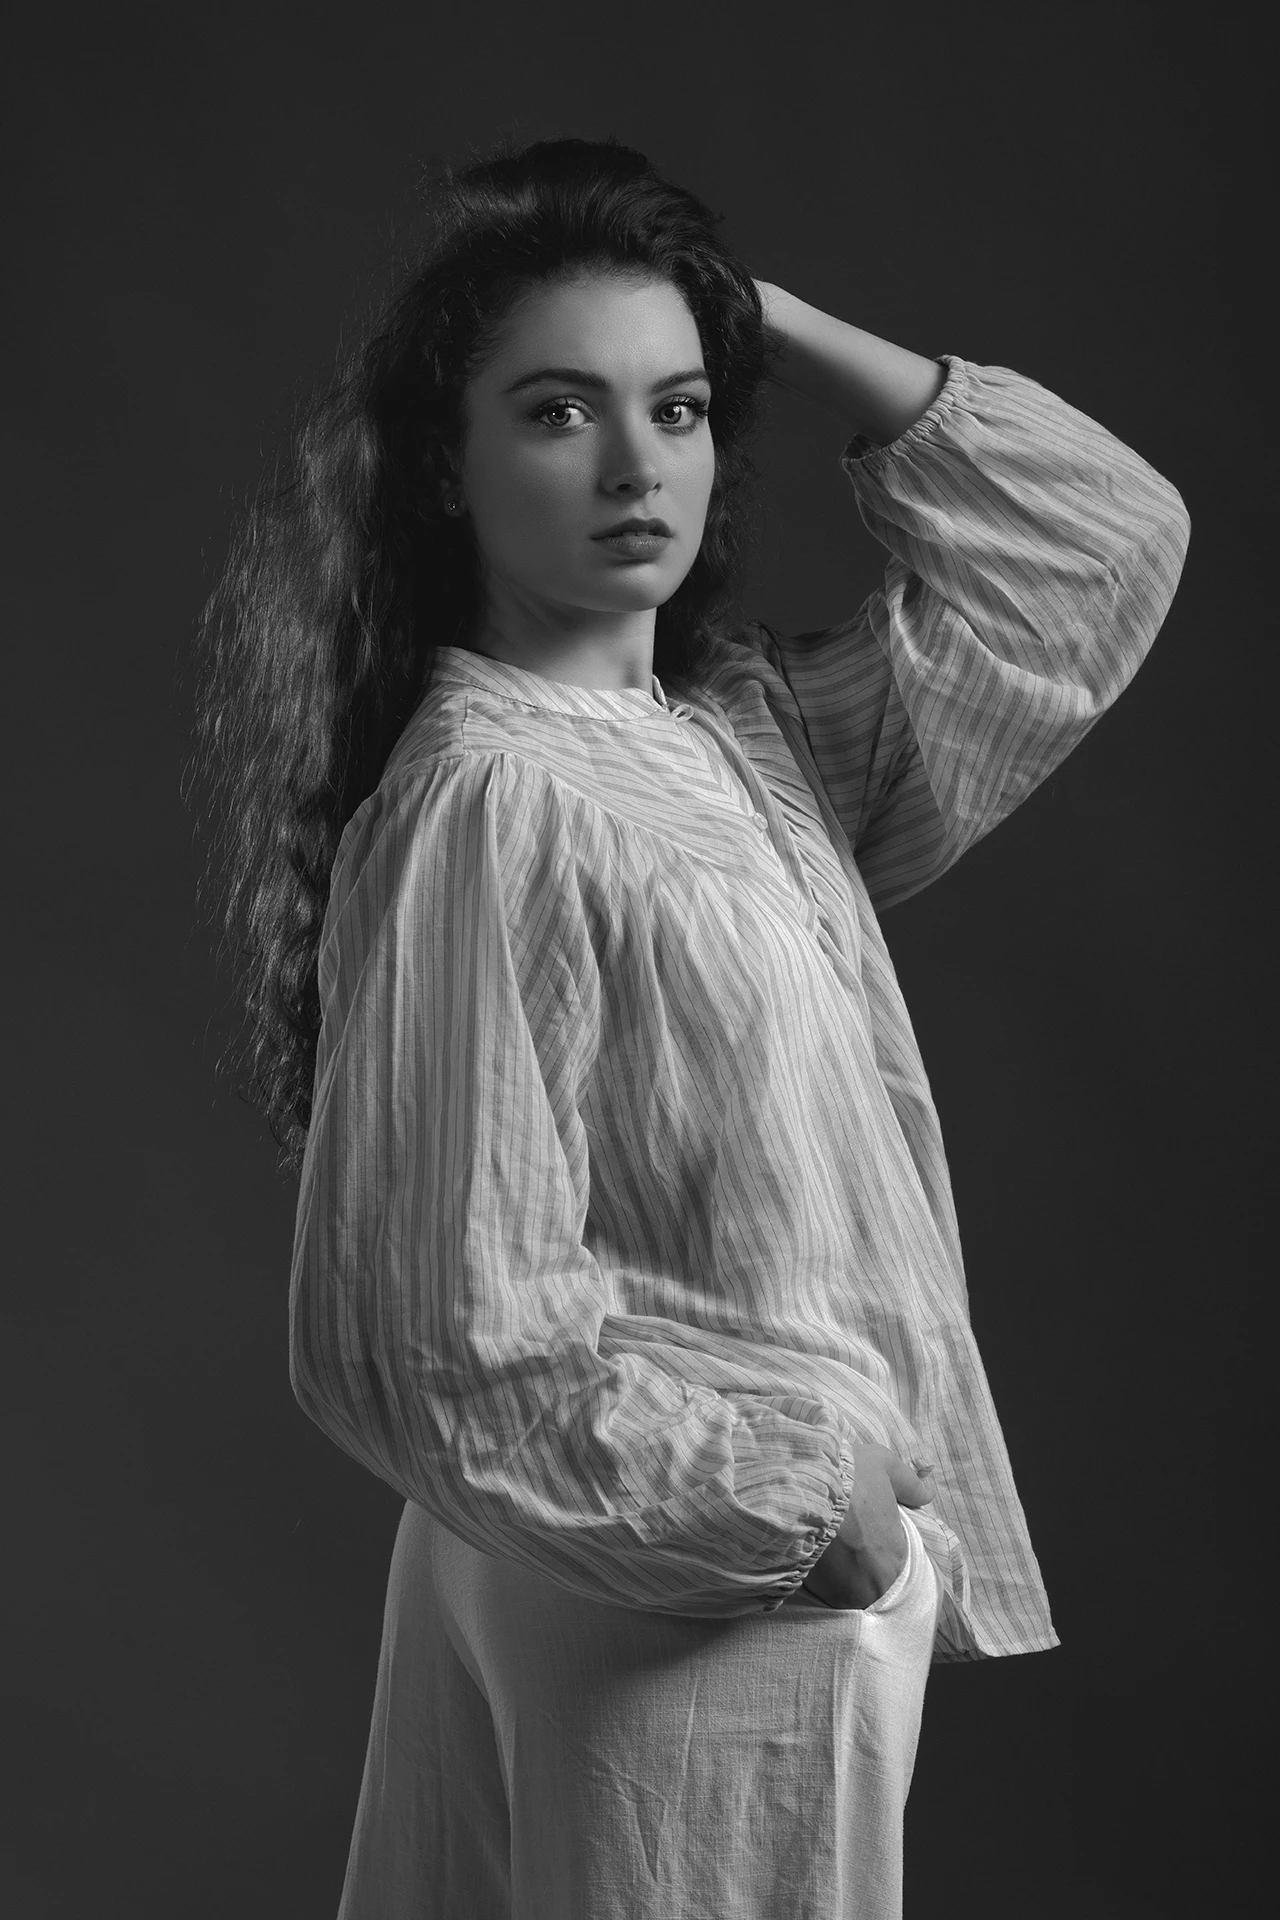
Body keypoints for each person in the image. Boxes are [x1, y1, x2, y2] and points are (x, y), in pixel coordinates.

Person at [195, 135, 1189, 1919]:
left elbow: (1094, 553)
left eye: (681, 407)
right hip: (680, 1584)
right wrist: (816, 1508)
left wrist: (765, 319)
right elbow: (420, 1334)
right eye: (560, 411)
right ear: (444, 464)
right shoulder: (492, 795)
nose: (636, 464)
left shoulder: (745, 747)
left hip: (693, 1578)